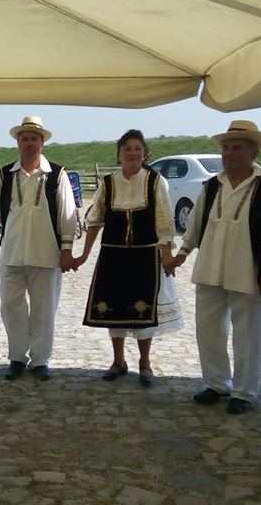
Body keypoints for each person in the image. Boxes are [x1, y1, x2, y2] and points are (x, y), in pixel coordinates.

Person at [170, 120, 261, 414]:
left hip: (248, 269)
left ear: (253, 151)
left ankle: (245, 391)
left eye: (236, 148)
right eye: (225, 148)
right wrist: (182, 253)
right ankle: (216, 383)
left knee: (248, 333)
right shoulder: (212, 185)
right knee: (208, 329)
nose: (229, 154)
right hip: (210, 266)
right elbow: (195, 224)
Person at [76, 130, 183, 386]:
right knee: (113, 307)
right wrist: (84, 255)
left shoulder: (155, 181)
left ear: (145, 152)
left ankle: (145, 363)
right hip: (113, 254)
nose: (133, 153)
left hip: (145, 255)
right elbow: (95, 220)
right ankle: (118, 361)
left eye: (137, 148)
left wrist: (167, 254)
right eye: (127, 148)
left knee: (143, 308)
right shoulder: (108, 182)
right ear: (119, 154)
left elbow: (164, 221)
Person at [0, 116, 77, 382]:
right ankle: (16, 357)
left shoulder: (56, 174)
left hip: (46, 252)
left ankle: (40, 360)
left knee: (44, 308)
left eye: (34, 138)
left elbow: (67, 214)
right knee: (10, 305)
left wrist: (66, 249)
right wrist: (13, 224)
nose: (29, 143)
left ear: (42, 142)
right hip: (12, 252)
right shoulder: (5, 174)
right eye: (24, 138)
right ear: (17, 142)